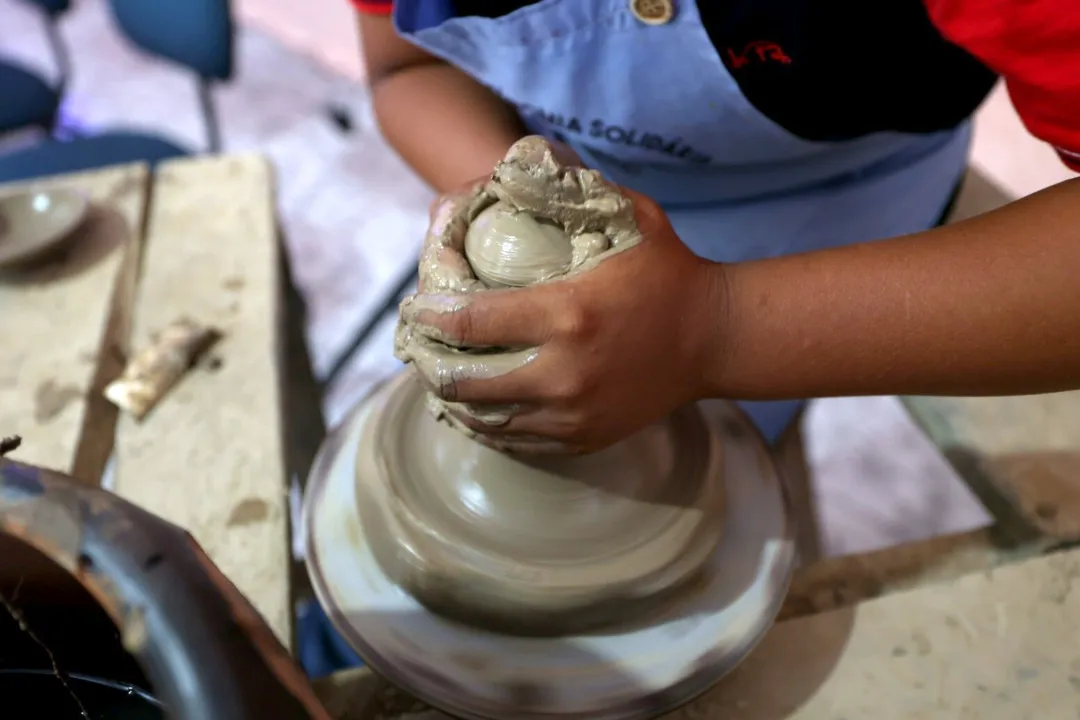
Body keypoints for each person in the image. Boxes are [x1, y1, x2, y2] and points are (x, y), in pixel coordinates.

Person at [353, 0, 1080, 455]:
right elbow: (406, 69)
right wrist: (522, 207)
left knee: (714, 487)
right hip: (568, 156)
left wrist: (715, 331)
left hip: (831, 187)